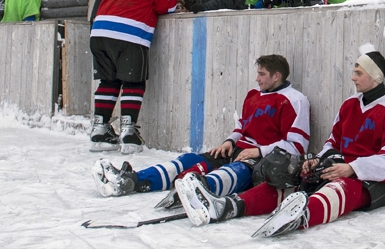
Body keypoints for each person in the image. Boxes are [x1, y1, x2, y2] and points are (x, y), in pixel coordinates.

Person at [174, 44, 385, 238]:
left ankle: (300, 215)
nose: (352, 77)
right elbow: (333, 142)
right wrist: (318, 161)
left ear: (375, 77)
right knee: (289, 178)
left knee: (340, 187)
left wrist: (352, 168)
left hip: (376, 182)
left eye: (358, 73)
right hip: (341, 166)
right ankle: (228, 206)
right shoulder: (349, 105)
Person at [91, 54, 310, 203]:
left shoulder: (294, 100)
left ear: (276, 76)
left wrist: (259, 151)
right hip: (238, 149)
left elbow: (297, 145)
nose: (257, 78)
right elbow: (242, 126)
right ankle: (132, 180)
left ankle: (198, 193)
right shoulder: (253, 95)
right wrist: (229, 141)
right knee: (189, 161)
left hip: (261, 160)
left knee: (233, 172)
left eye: (262, 74)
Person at [88, 0, 176, 153]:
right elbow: (167, 4)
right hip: (131, 31)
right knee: (133, 82)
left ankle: (100, 130)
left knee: (108, 80)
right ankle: (129, 134)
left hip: (100, 30)